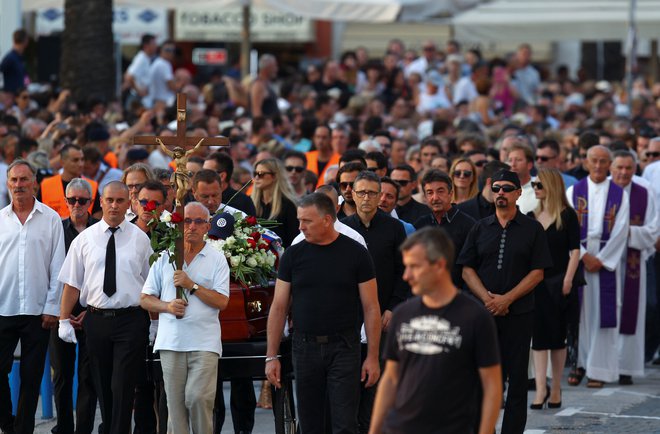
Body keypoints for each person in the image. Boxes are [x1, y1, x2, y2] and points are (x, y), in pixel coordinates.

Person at [266, 192, 381, 433]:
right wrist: (271, 356)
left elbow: (371, 307)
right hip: (304, 347)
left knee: (345, 423)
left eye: (307, 221)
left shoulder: (356, 252)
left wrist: (372, 356)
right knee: (310, 423)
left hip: (344, 347)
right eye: (299, 220)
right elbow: (278, 307)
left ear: (327, 220)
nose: (301, 227)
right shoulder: (293, 255)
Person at [368, 228, 502, 434]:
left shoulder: (475, 317)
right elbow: (390, 380)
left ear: (439, 265)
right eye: (405, 267)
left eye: (414, 267)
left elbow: (492, 387)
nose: (406, 276)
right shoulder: (402, 315)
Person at [457, 169, 552, 434]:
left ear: (518, 193)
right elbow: (466, 269)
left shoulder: (532, 229)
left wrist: (507, 299)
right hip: (483, 315)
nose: (501, 193)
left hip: (519, 313)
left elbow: (538, 272)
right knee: (484, 376)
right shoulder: (480, 227)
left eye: (507, 189)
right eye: (496, 188)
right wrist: (488, 300)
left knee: (517, 380)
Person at [58, 181, 152, 434]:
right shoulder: (85, 240)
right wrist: (63, 320)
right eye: (109, 200)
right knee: (102, 386)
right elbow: (72, 283)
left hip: (131, 320)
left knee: (122, 385)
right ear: (101, 202)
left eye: (120, 201)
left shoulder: (140, 240)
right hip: (96, 320)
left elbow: (150, 283)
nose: (114, 205)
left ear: (128, 204)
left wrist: (153, 321)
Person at [141, 201, 230, 434]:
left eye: (198, 221)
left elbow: (222, 301)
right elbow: (145, 298)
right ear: (178, 225)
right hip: (171, 342)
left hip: (204, 343)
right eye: (186, 221)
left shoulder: (217, 259)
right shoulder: (165, 256)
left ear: (208, 226)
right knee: (175, 408)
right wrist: (168, 307)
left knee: (198, 399)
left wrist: (192, 285)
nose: (191, 226)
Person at [0, 160, 65, 434]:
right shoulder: (0, 220)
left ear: (34, 183)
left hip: (39, 311)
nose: (19, 185)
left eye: (24, 180)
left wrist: (53, 307)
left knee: (32, 375)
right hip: (3, 307)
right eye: (14, 180)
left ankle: (23, 429)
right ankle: (6, 423)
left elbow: (57, 265)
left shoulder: (50, 218)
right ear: (7, 184)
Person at [341, 171, 409, 433]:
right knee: (351, 383)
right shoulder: (343, 228)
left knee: (380, 383)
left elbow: (404, 272)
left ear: (381, 196)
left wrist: (393, 307)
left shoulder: (394, 228)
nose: (366, 198)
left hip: (384, 317)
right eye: (361, 193)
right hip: (350, 319)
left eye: (371, 192)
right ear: (352, 195)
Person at [566, 146, 630, 388]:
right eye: (595, 160)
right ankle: (580, 363)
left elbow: (621, 229)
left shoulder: (619, 194)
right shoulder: (574, 191)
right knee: (581, 315)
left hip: (605, 262)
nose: (599, 165)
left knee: (603, 316)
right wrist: (583, 256)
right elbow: (568, 227)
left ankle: (599, 370)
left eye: (604, 161)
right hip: (580, 258)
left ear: (610, 164)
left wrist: (600, 259)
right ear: (586, 162)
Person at [527, 168, 581, 409]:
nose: (536, 189)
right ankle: (540, 389)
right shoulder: (530, 216)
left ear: (551, 186)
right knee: (538, 339)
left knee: (557, 337)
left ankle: (556, 387)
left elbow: (575, 250)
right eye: (535, 185)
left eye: (539, 185)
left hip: (559, 282)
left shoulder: (568, 215)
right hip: (536, 284)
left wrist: (569, 279)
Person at [50, 178, 99, 434]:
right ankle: (64, 427)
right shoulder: (56, 230)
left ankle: (84, 428)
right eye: (72, 200)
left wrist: (85, 312)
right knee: (61, 375)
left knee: (88, 376)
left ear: (90, 202)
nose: (76, 205)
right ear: (65, 201)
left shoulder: (100, 231)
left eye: (82, 200)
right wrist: (63, 314)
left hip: (91, 311)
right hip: (61, 313)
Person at [610, 151, 657, 384]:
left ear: (635, 169)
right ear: (611, 168)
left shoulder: (645, 193)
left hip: (632, 262)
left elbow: (653, 230)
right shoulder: (601, 191)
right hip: (604, 262)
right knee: (604, 313)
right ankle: (602, 365)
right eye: (619, 167)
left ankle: (625, 367)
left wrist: (625, 231)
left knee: (631, 312)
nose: (623, 172)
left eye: (629, 168)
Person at [413, 170, 476, 287]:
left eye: (440, 191)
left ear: (451, 194)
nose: (435, 197)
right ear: (425, 197)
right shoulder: (420, 225)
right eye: (430, 193)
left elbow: (471, 268)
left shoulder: (469, 225)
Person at [40, 144, 101, 219]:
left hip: (83, 230)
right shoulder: (46, 185)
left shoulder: (92, 186)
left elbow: (97, 220)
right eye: (75, 160)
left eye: (82, 159)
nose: (80, 164)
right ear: (62, 162)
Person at [251, 158, 299, 247]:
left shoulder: (288, 205)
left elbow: (293, 239)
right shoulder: (250, 203)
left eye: (261, 174)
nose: (256, 177)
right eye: (255, 174)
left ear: (274, 176)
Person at [123, 34, 157, 101]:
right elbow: (128, 76)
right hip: (137, 98)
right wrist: (139, 91)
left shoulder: (146, 58)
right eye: (153, 44)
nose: (156, 46)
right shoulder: (141, 58)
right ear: (146, 45)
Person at [144, 40, 177, 109]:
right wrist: (180, 87)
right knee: (183, 100)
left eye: (172, 50)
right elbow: (171, 85)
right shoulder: (164, 64)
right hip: (164, 102)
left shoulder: (157, 62)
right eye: (167, 50)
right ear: (161, 50)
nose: (170, 53)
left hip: (155, 101)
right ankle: (181, 119)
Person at [306, 125, 341, 189]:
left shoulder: (340, 160)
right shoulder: (306, 157)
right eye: (318, 137)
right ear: (314, 138)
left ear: (330, 139)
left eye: (324, 137)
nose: (320, 141)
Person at [0, 29, 29, 94]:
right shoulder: (10, 58)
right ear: (25, 41)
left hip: (20, 97)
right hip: (11, 99)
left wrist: (27, 85)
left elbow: (25, 76)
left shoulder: (20, 58)